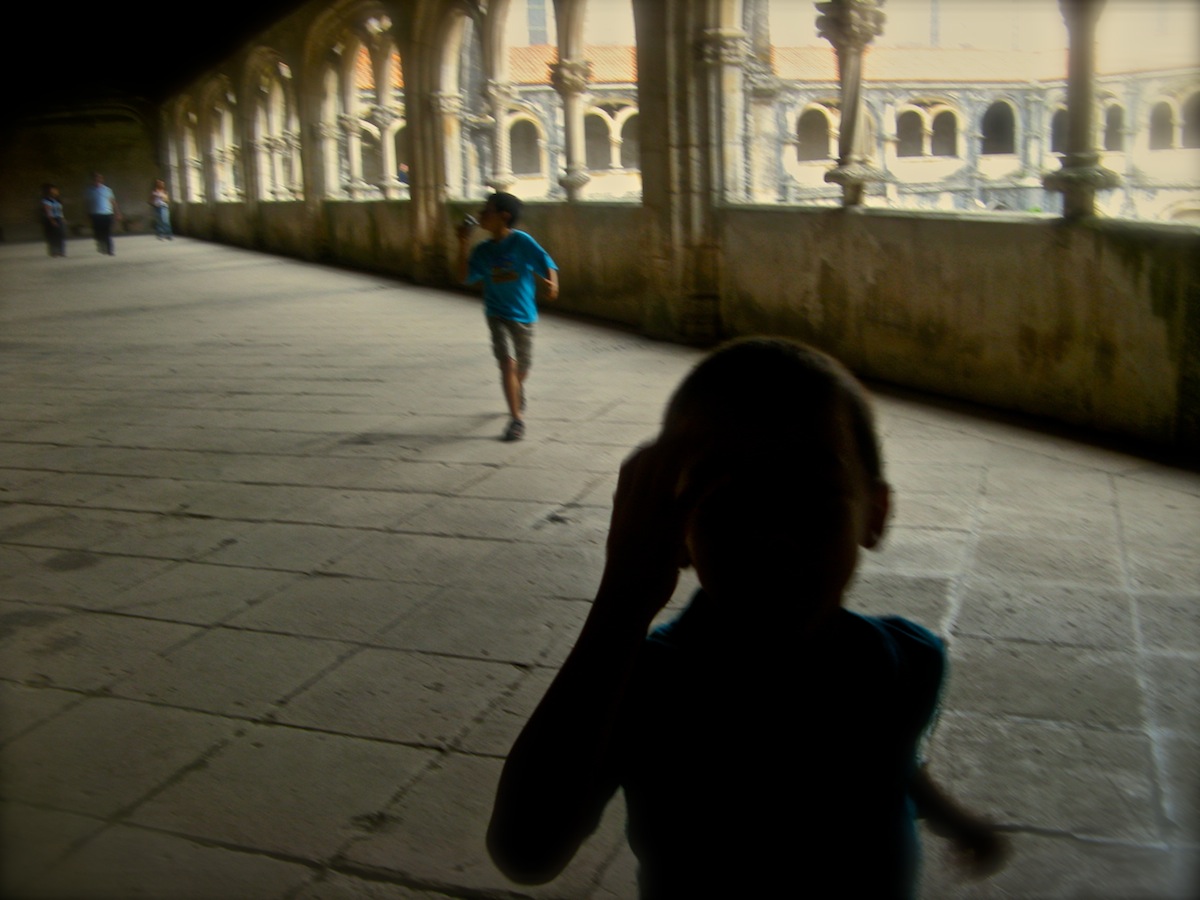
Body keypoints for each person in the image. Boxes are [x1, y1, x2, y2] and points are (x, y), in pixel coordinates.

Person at [487, 338, 1008, 897]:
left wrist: (951, 817)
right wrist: (623, 602)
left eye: (812, 493)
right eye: (727, 496)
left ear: (874, 515)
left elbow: (886, 755)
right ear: (675, 530)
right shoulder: (649, 689)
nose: (773, 534)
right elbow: (526, 850)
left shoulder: (905, 662)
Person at [456, 192, 558, 441]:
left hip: (523, 314)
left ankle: (517, 385)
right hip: (496, 313)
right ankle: (516, 420)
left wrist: (552, 284)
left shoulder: (522, 242)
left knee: (522, 368)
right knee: (507, 364)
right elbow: (463, 276)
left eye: (486, 210)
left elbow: (547, 263)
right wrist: (462, 244)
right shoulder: (482, 250)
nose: (480, 215)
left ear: (504, 216)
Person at [86, 172, 120, 255]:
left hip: (107, 213)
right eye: (95, 179)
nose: (97, 180)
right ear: (93, 180)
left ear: (102, 180)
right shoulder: (89, 190)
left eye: (99, 178)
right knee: (98, 232)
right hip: (95, 214)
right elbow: (87, 203)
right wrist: (86, 214)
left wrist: (117, 212)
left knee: (107, 232)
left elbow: (113, 201)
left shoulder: (107, 190)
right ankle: (101, 246)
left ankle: (109, 250)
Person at [41, 183, 66, 257]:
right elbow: (48, 211)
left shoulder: (57, 200)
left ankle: (61, 251)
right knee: (53, 236)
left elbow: (60, 210)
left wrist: (62, 218)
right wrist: (52, 220)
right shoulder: (46, 200)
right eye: (53, 189)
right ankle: (54, 251)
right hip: (51, 218)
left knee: (61, 235)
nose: (56, 191)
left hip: (58, 218)